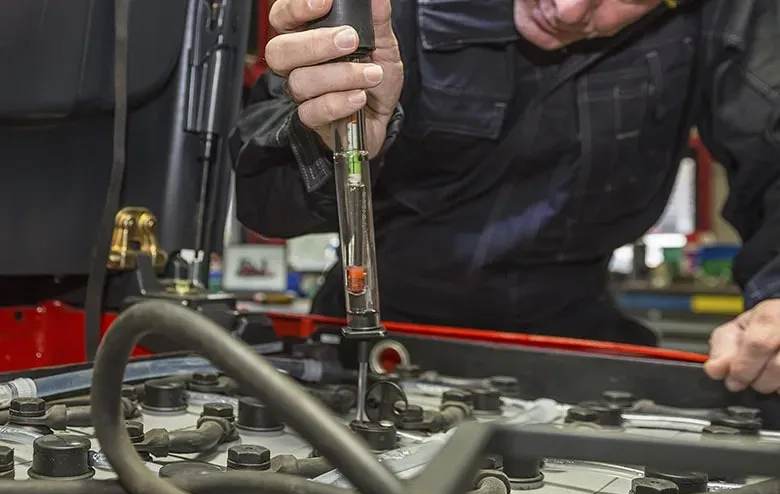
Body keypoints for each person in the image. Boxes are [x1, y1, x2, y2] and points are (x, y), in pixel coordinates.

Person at [230, 0, 780, 394]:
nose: (567, 10)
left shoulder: (723, 14)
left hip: (574, 350)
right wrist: (329, 135)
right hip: (365, 334)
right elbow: (264, 201)